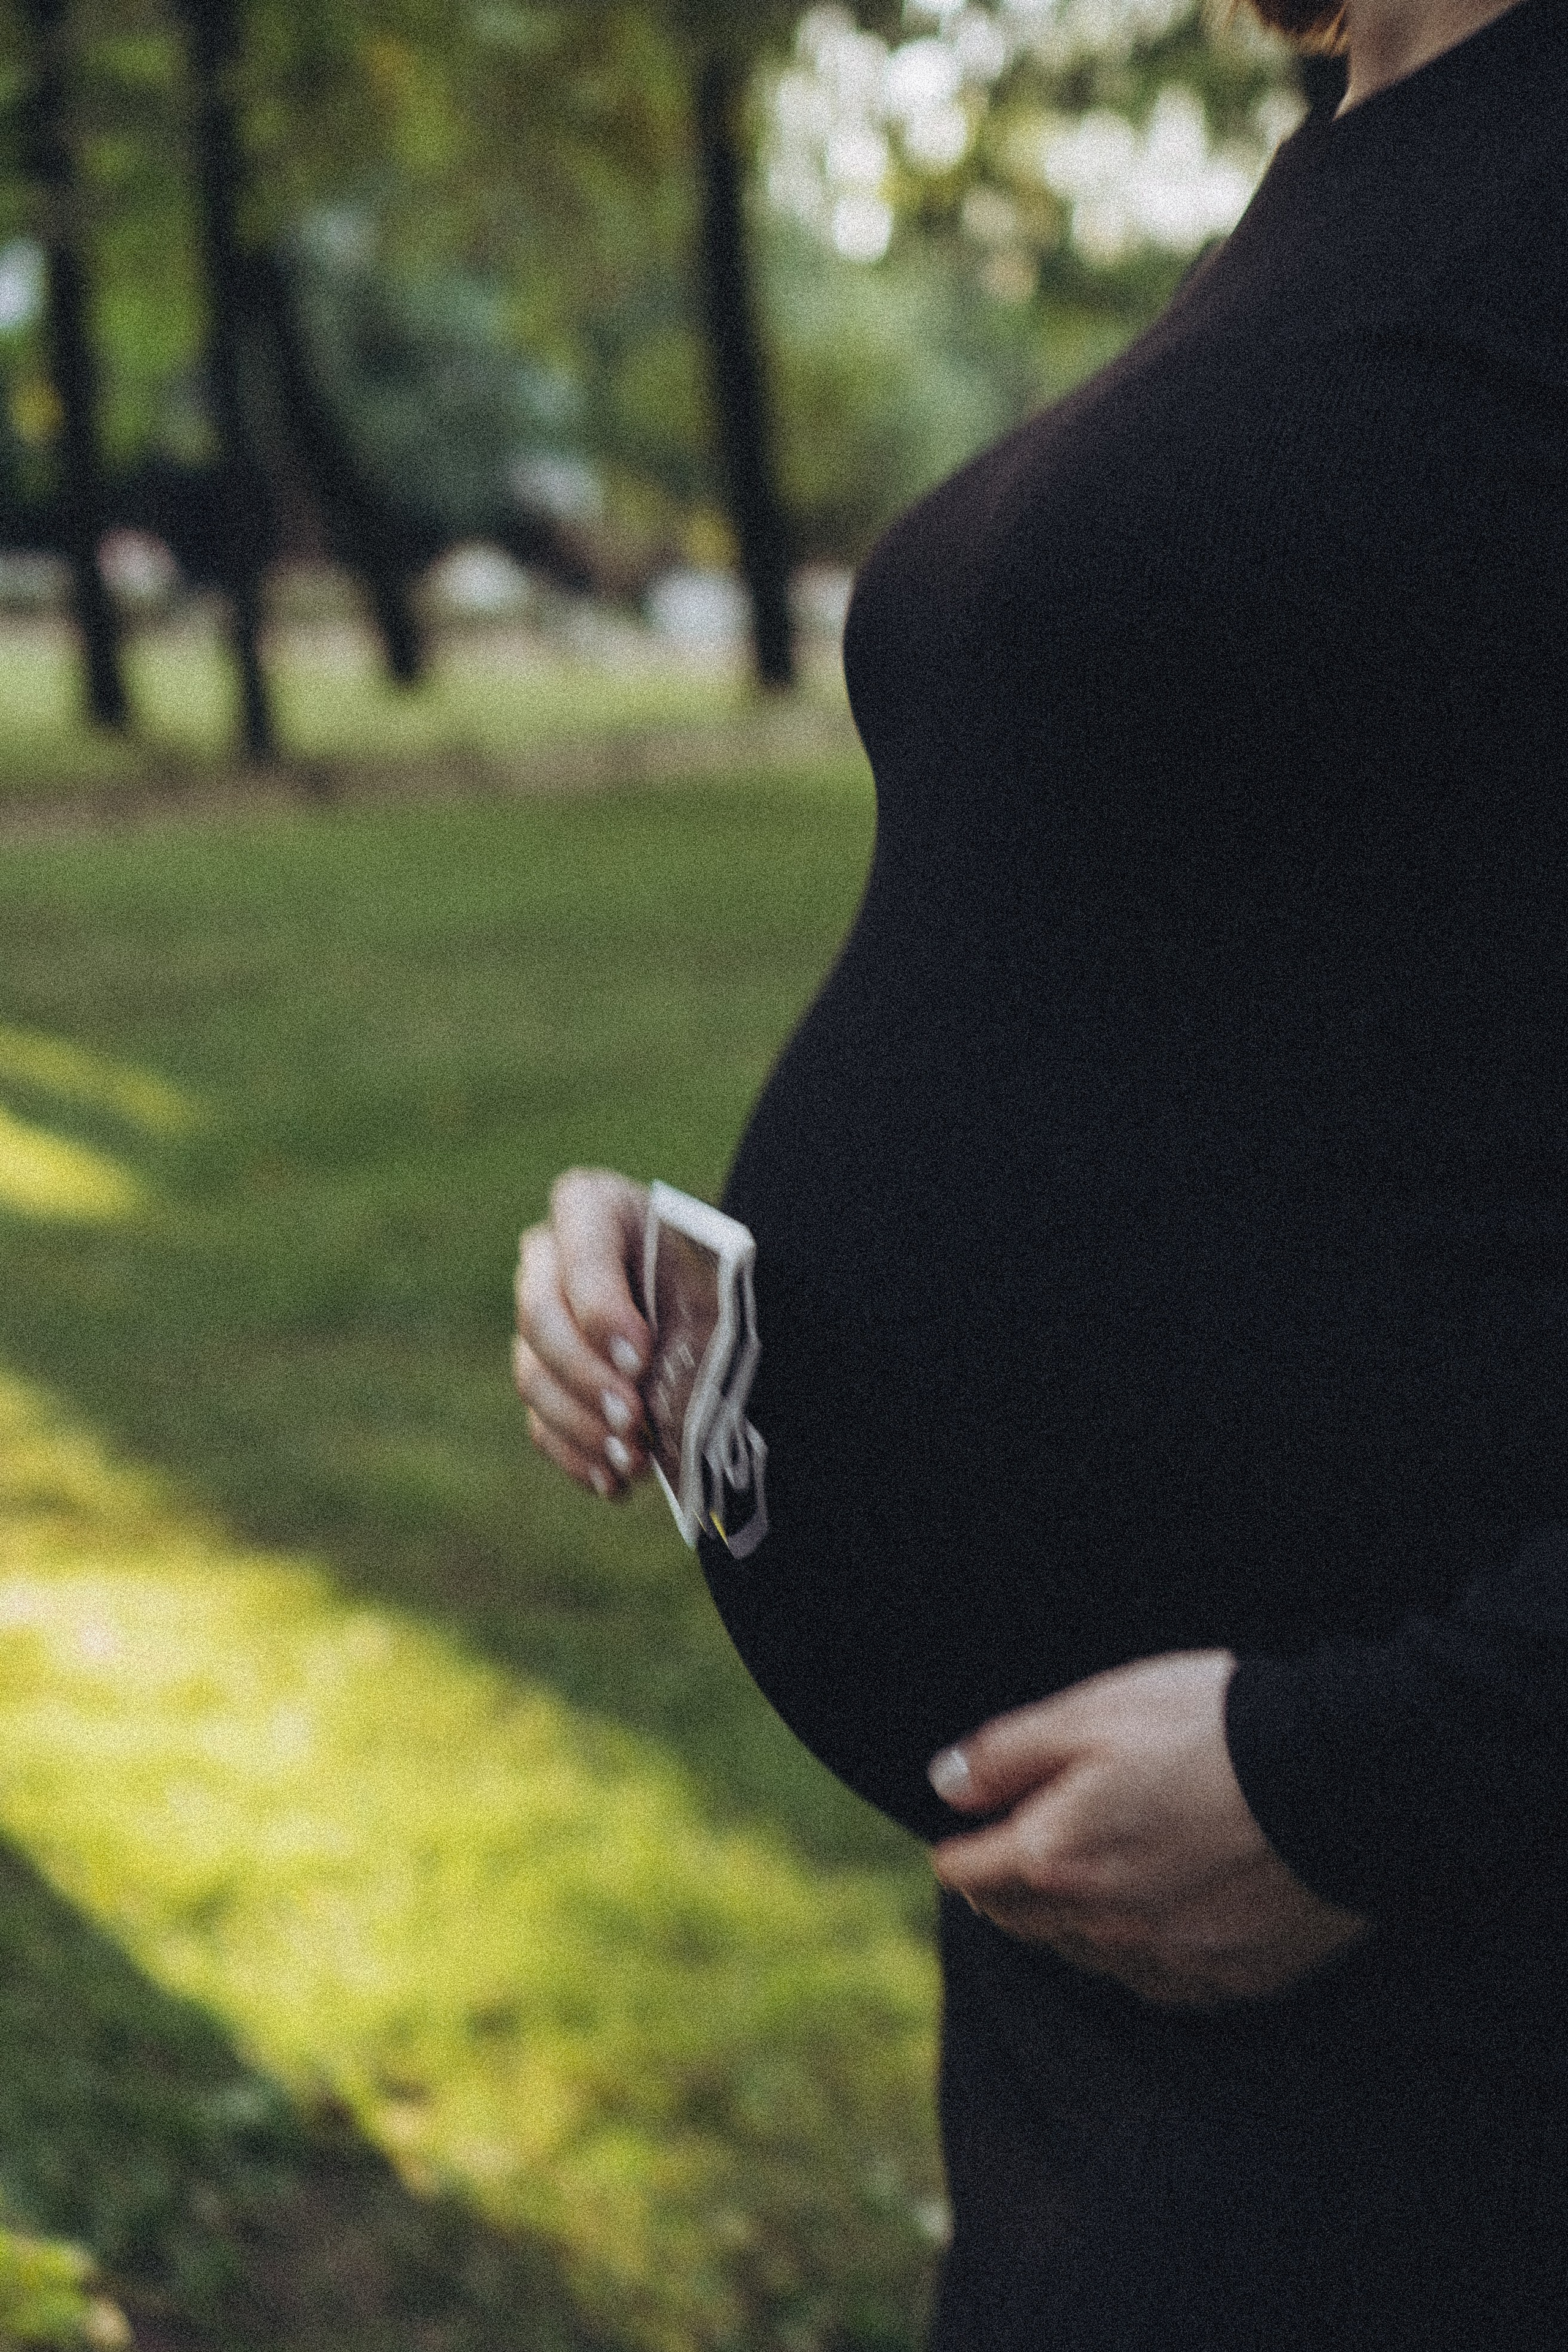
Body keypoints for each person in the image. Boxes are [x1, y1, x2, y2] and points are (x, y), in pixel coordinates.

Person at [513, 0, 1568, 2340]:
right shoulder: (1363, 164)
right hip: (1131, 1944)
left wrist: (1384, 1771)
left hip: (1439, 1957)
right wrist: (719, 1272)